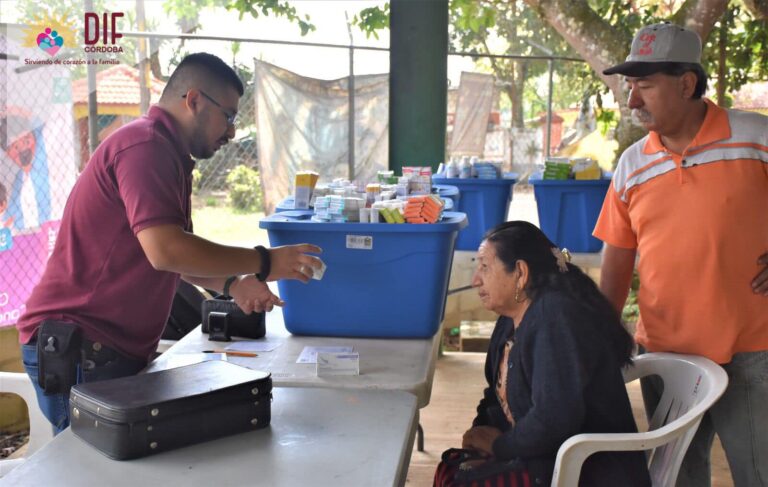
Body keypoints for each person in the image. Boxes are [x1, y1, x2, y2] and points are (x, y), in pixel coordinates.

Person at [16, 52, 323, 433]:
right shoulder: (144, 147)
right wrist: (263, 261)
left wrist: (233, 284)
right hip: (80, 344)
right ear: (193, 100)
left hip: (104, 347)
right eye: (228, 116)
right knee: (99, 470)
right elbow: (166, 251)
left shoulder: (168, 154)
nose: (231, 133)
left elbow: (177, 253)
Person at [595, 22, 768, 487]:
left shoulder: (756, 137)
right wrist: (603, 338)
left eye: (644, 86)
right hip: (665, 352)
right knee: (676, 479)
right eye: (631, 87)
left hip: (753, 350)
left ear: (687, 83)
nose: (632, 101)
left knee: (759, 473)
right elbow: (616, 259)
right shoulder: (632, 164)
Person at [434, 221, 650, 487]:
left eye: (485, 267)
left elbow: (554, 419)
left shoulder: (555, 318)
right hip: (542, 458)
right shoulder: (512, 315)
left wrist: (499, 446)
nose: (475, 279)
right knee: (453, 468)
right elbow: (495, 392)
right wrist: (479, 437)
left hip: (584, 472)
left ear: (521, 273)